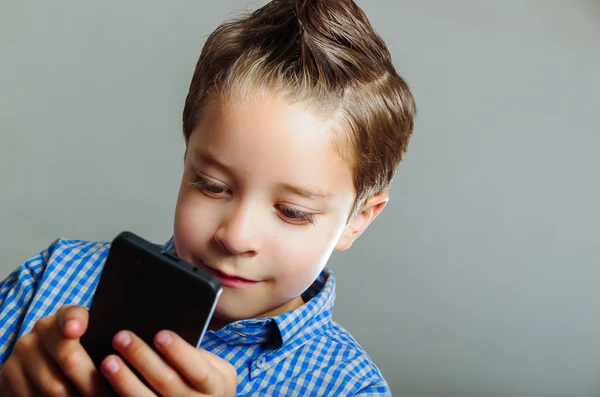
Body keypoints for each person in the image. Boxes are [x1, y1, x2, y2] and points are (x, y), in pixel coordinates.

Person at [0, 0, 416, 395]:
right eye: (213, 185)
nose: (235, 236)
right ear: (187, 156)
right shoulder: (52, 277)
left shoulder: (349, 388)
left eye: (292, 212)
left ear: (357, 219)